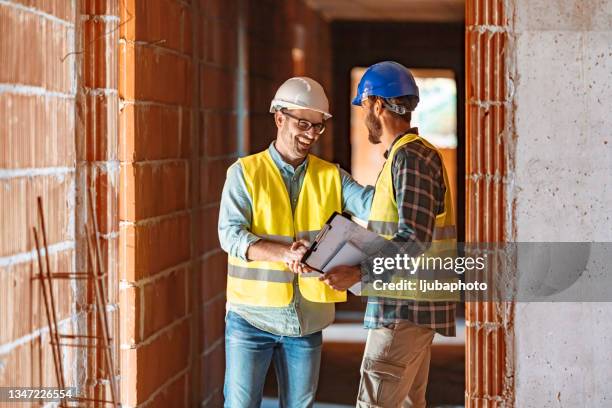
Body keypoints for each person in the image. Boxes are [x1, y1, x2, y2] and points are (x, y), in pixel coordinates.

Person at [218, 76, 374, 408]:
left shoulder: (331, 176)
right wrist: (283, 253)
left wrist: (400, 165)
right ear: (279, 118)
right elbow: (230, 235)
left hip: (306, 321)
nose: (310, 134)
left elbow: (373, 206)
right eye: (303, 123)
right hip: (251, 319)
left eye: (317, 127)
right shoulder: (244, 173)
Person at [321, 61, 458, 408]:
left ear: (378, 105)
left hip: (403, 310)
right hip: (406, 307)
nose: (365, 113)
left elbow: (414, 237)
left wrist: (359, 272)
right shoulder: (404, 156)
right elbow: (384, 214)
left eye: (365, 106)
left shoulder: (411, 158)